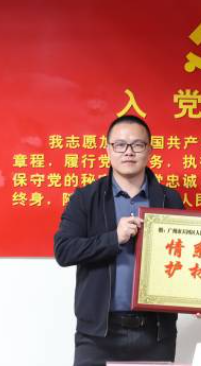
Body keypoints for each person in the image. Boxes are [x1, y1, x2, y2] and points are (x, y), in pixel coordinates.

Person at [54, 115, 184, 366]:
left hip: (156, 333)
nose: (129, 152)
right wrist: (114, 238)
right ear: (108, 150)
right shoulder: (85, 198)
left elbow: (185, 257)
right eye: (120, 145)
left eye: (138, 144)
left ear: (150, 150)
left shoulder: (169, 199)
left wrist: (200, 298)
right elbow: (64, 251)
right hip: (97, 335)